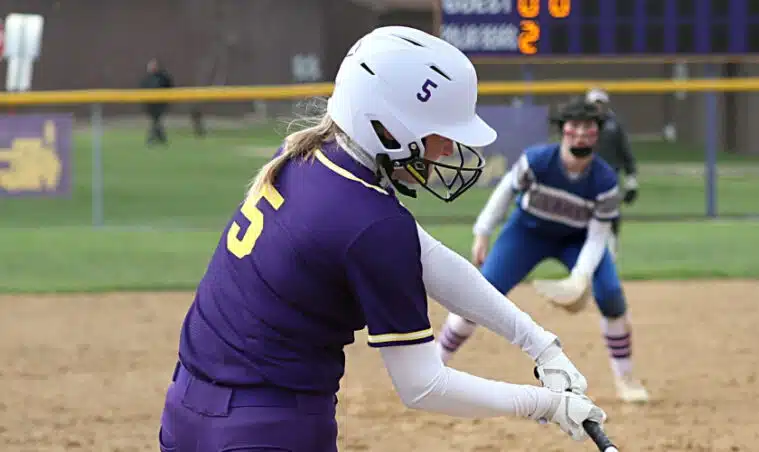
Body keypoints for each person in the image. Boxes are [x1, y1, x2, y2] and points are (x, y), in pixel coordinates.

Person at [157, 26, 608, 452]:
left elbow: (427, 256)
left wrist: (540, 343)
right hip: (270, 425)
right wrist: (545, 405)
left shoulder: (309, 155)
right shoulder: (371, 222)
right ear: (387, 126)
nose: (449, 149)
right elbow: (424, 385)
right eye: (440, 133)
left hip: (186, 409)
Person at [436, 99, 650, 404]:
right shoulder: (537, 161)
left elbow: (598, 235)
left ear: (597, 135)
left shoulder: (604, 181)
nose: (579, 135)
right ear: (562, 130)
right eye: (573, 127)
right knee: (481, 294)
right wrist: (482, 232)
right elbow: (505, 192)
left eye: (588, 129)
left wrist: (580, 277)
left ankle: (625, 378)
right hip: (528, 233)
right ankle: (436, 362)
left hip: (576, 239)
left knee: (611, 295)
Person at [586, 87, 638, 256]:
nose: (598, 107)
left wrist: (631, 181)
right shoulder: (582, 125)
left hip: (610, 177)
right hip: (586, 177)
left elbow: (626, 153)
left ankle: (611, 253)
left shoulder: (614, 125)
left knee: (611, 216)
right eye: (595, 103)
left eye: (600, 103)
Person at [140, 58, 174, 147]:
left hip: (160, 103)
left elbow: (169, 86)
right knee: (156, 122)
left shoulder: (163, 77)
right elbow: (143, 89)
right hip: (151, 104)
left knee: (156, 121)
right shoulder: (147, 78)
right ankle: (161, 138)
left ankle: (152, 138)